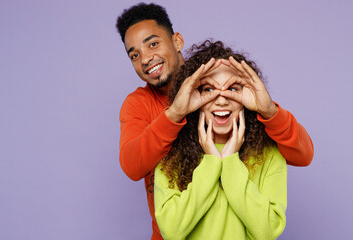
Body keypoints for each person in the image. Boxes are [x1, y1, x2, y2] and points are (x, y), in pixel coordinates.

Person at [116, 3, 313, 239]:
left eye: (153, 43)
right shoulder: (138, 105)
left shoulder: (221, 81)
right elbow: (132, 165)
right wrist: (175, 114)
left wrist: (269, 111)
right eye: (134, 55)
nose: (146, 58)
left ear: (177, 41)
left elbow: (303, 155)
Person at [154, 40, 287, 240]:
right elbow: (171, 230)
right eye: (208, 89)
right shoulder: (171, 154)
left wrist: (231, 161)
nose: (222, 99)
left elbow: (268, 231)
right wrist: (212, 163)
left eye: (233, 88)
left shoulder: (269, 154)